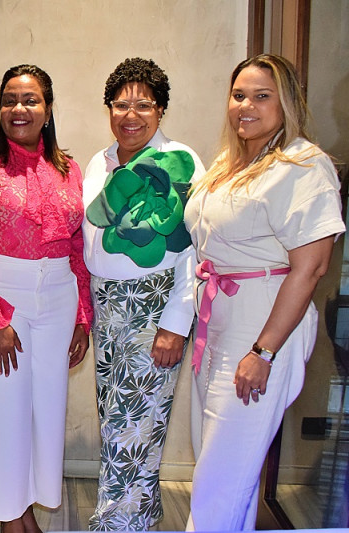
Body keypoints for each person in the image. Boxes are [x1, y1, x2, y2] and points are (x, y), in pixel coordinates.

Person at [184, 54, 345, 531]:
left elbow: (311, 268)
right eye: (238, 95)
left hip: (263, 324)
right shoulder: (230, 163)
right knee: (220, 466)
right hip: (216, 323)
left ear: (287, 102)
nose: (245, 106)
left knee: (221, 477)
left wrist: (264, 351)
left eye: (261, 96)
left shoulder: (303, 166)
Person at [0, 64, 93, 533]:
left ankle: (26, 512)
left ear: (48, 109)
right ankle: (13, 520)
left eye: (30, 100)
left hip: (58, 298)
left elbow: (77, 247)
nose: (18, 109)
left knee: (45, 410)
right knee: (3, 411)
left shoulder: (69, 169)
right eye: (9, 99)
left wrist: (83, 317)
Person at [83, 57, 206, 531]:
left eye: (143, 105)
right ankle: (140, 517)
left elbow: (194, 253)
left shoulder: (182, 161)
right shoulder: (100, 160)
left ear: (161, 110)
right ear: (108, 109)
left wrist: (175, 325)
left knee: (132, 425)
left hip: (152, 308)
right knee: (122, 423)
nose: (130, 115)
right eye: (120, 104)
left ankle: (117, 525)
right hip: (108, 308)